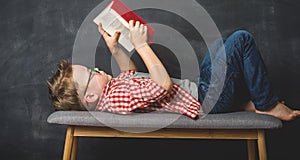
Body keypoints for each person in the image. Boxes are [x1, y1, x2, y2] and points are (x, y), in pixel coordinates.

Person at [47, 20, 300, 121]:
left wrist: (115, 50)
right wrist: (141, 45)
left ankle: (243, 104)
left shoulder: (112, 91)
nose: (98, 69)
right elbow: (161, 85)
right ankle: (267, 104)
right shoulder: (115, 99)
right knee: (241, 40)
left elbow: (130, 75)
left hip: (198, 89)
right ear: (90, 96)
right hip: (204, 99)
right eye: (92, 72)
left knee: (221, 45)